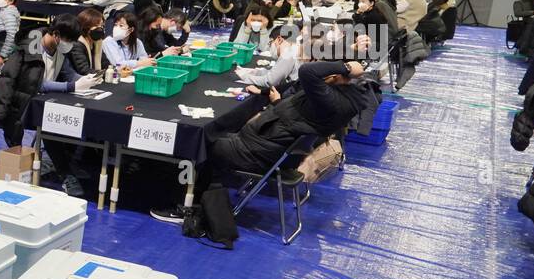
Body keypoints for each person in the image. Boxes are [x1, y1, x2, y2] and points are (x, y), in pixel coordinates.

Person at [151, 58, 370, 224]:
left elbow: (308, 71)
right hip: (264, 146)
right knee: (218, 132)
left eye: (332, 74)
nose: (327, 76)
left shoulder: (333, 101)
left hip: (255, 153)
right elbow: (301, 116)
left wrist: (346, 67)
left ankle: (188, 206)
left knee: (199, 142)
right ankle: (201, 193)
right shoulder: (343, 100)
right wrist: (279, 102)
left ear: (339, 79)